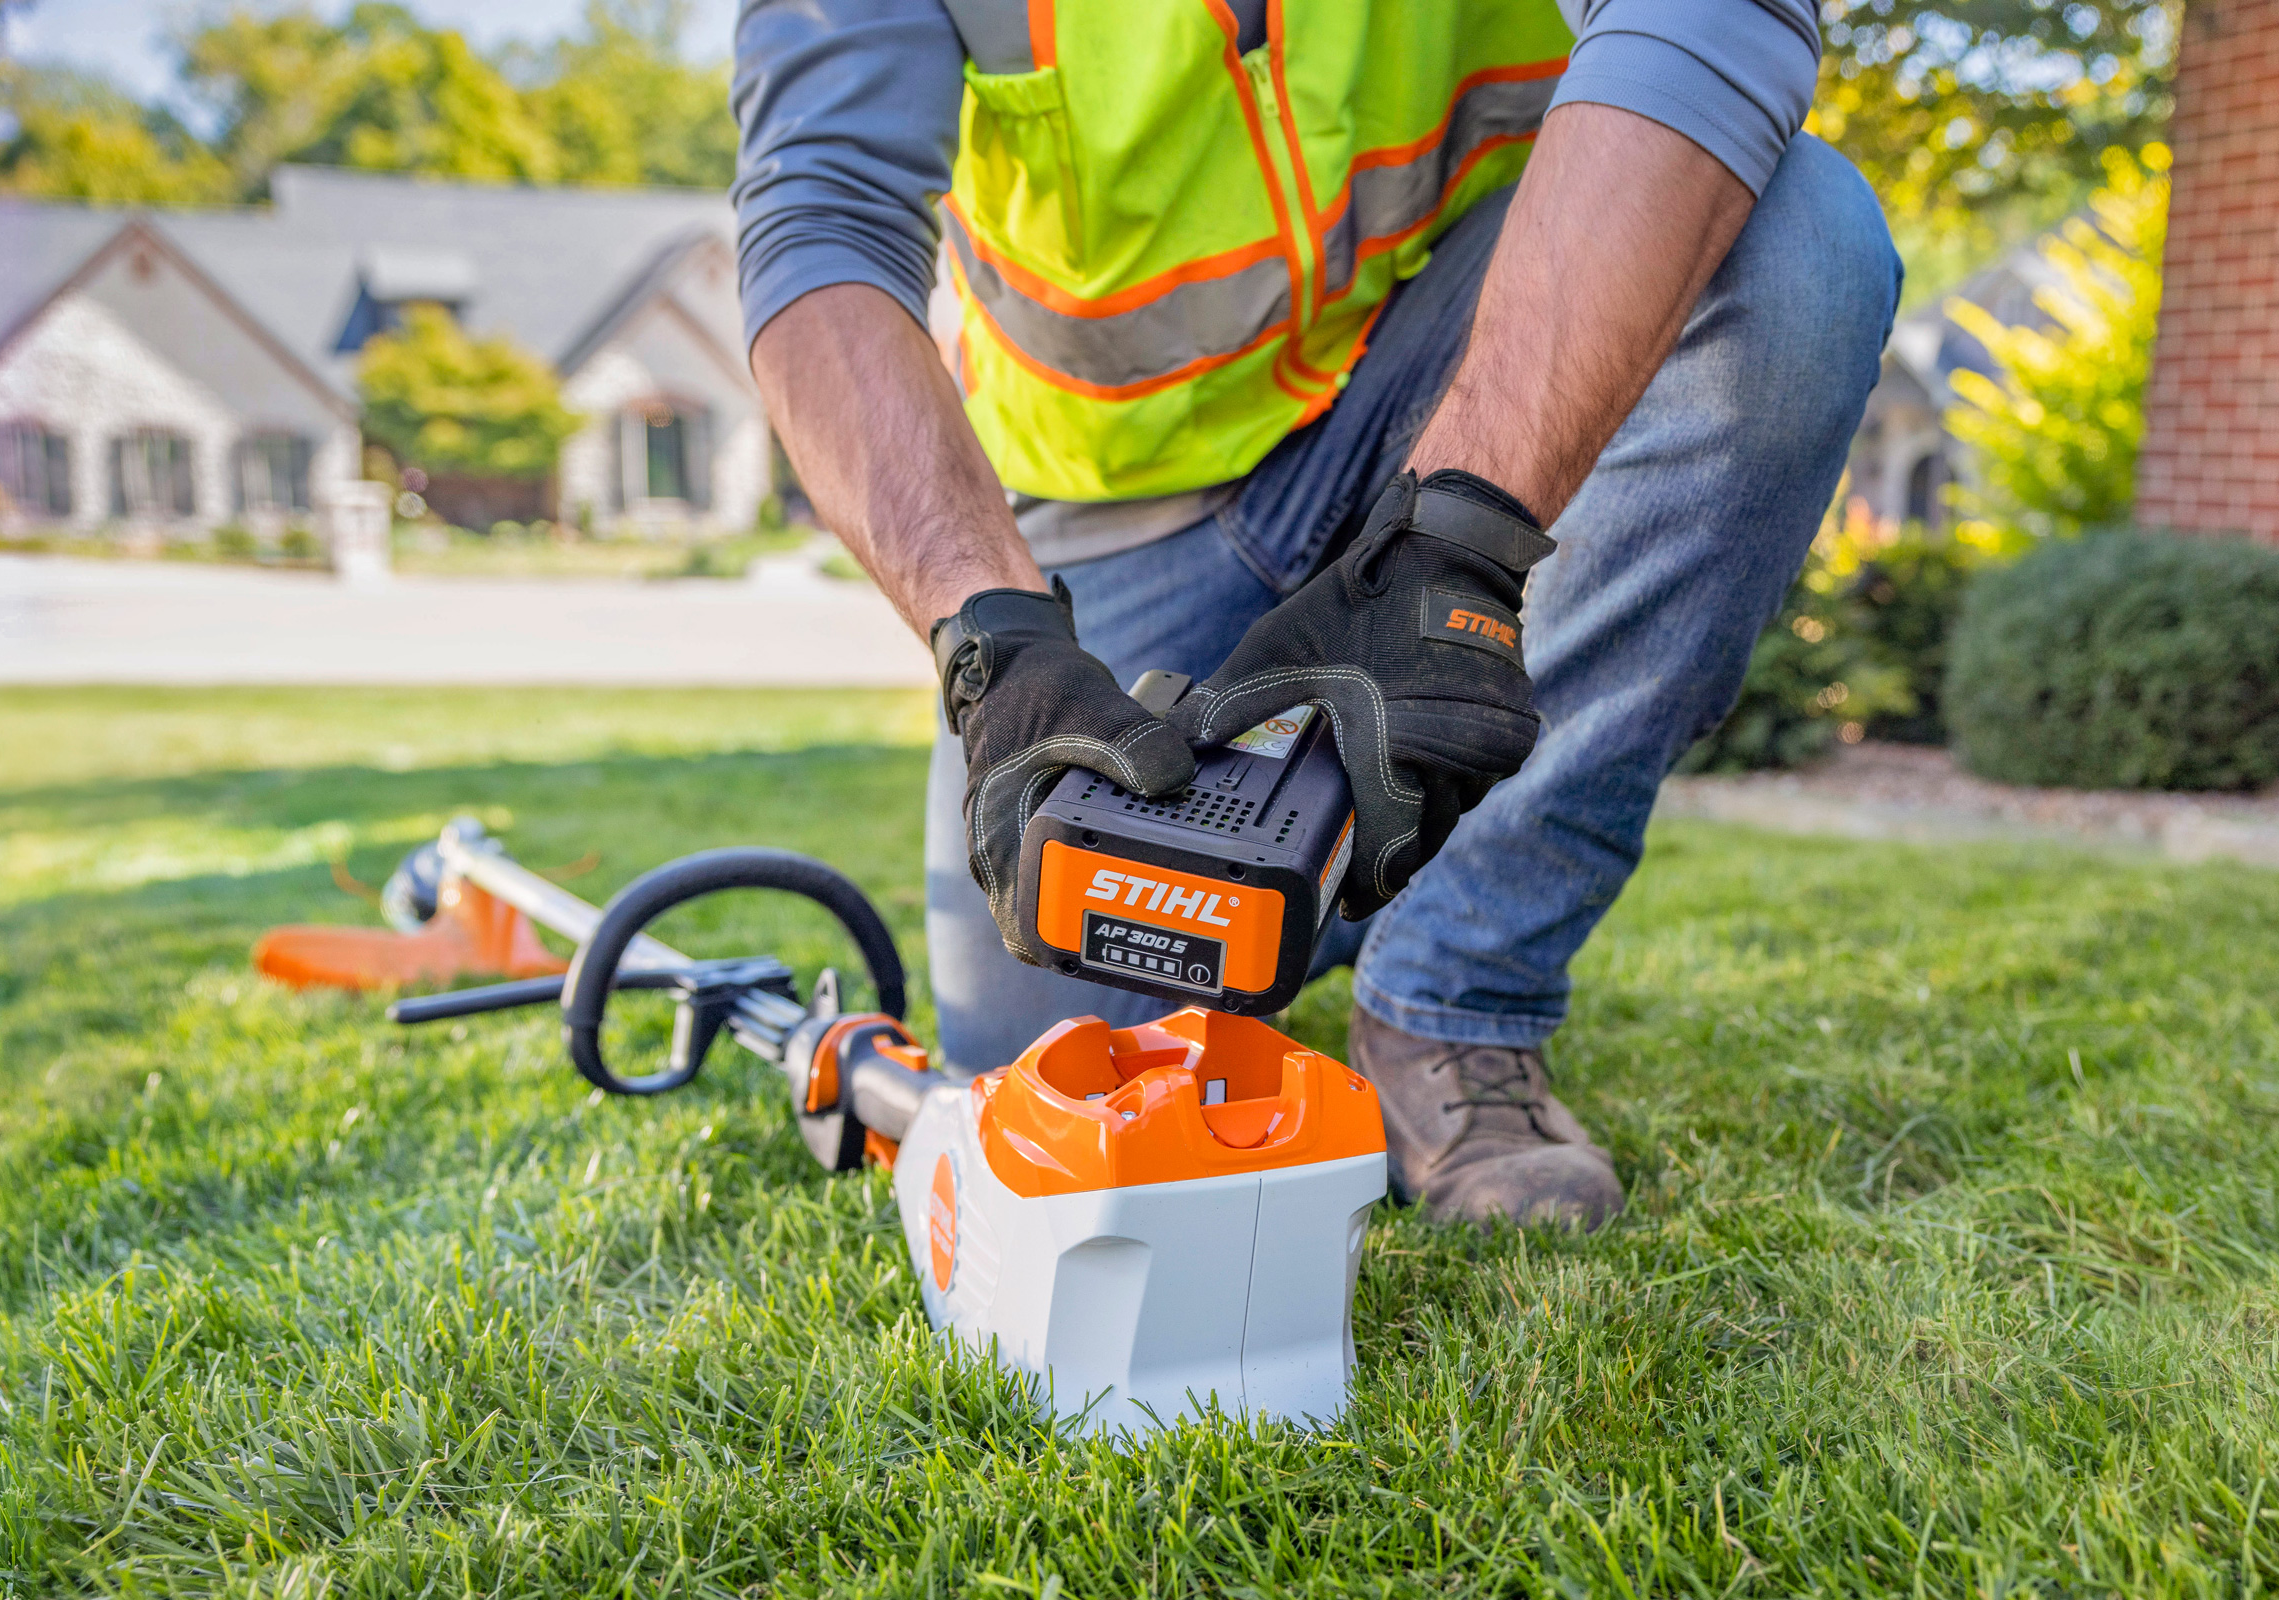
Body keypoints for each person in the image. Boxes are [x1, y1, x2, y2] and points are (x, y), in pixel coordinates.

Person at [732, 0, 1897, 1227]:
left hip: (1464, 385)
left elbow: (1711, 19)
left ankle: (1452, 996)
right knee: (1044, 1047)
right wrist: (991, 638)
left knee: (1798, 247)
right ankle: (1334, 873)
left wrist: (1454, 542)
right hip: (1116, 518)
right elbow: (821, 217)